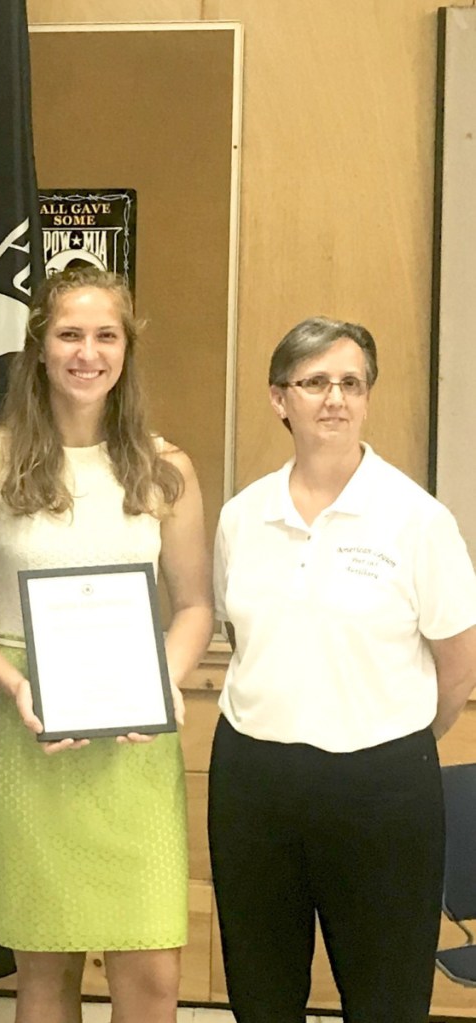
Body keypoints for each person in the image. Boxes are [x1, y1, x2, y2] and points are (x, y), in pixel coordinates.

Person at [0, 266, 214, 1023]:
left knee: (152, 970)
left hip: (135, 738)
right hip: (26, 728)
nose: (86, 353)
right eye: (68, 335)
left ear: (126, 348)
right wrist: (14, 682)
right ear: (39, 348)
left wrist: (160, 682)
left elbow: (193, 607)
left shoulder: (165, 469)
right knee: (44, 970)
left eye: (104, 335)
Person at [209, 316, 476, 1023]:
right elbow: (242, 637)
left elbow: (455, 672)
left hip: (381, 787)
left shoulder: (417, 520)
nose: (334, 398)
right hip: (253, 782)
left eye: (350, 382)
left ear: (366, 397)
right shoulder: (241, 516)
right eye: (315, 381)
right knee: (261, 997)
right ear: (278, 399)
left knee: (385, 1000)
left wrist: (395, 733)